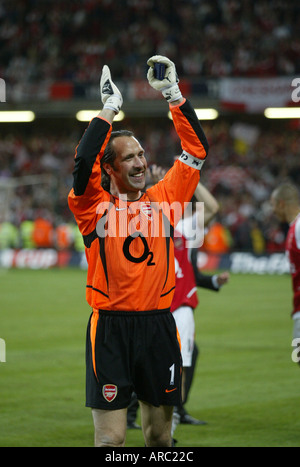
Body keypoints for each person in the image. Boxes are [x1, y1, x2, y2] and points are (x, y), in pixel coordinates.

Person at [68, 55, 209, 447]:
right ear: (109, 170)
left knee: (159, 438)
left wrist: (175, 95)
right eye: (128, 157)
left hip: (158, 326)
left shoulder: (166, 199)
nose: (140, 162)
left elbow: (197, 150)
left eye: (142, 154)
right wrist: (108, 110)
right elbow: (82, 165)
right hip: (110, 329)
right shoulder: (93, 208)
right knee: (111, 440)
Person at [270, 182, 300, 365]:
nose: (272, 210)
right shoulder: (293, 227)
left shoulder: (298, 227)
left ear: (281, 203)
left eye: (273, 205)